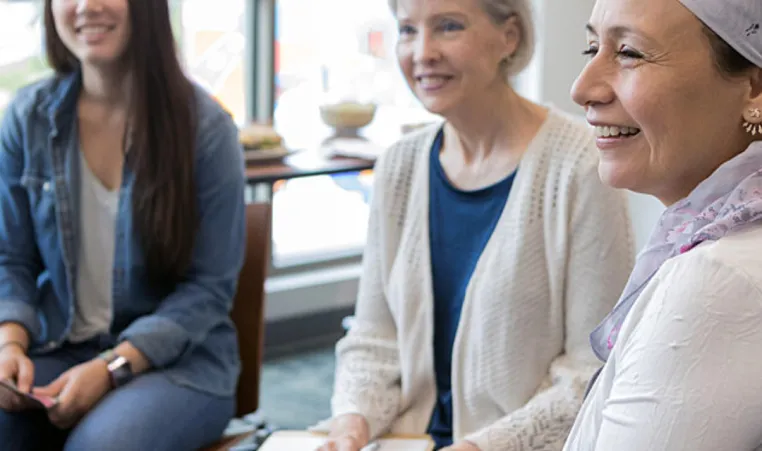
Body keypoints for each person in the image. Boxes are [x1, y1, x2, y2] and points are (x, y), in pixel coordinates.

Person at [315, 0, 634, 450]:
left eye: (448, 27)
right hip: (406, 438)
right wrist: (351, 425)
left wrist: (478, 447)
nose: (422, 51)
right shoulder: (397, 166)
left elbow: (591, 372)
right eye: (407, 30)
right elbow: (373, 339)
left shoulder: (581, 166)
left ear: (510, 37)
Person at [0, 0, 246, 450]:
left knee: (104, 446)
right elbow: (11, 258)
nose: (87, 6)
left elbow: (208, 289)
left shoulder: (207, 130)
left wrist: (113, 367)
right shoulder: (26, 118)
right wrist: (9, 346)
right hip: (60, 346)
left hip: (179, 365)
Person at [564, 0, 762, 449]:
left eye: (630, 52)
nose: (582, 88)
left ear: (755, 89)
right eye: (592, 47)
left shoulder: (718, 279)